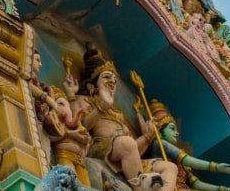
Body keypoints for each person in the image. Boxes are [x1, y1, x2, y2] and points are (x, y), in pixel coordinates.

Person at [63, 45, 178, 191]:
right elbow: (80, 125)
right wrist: (101, 106)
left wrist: (148, 137)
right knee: (126, 142)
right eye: (106, 77)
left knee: (170, 167)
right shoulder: (84, 100)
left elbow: (132, 151)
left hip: (122, 153)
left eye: (114, 79)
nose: (112, 82)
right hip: (100, 149)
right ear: (92, 86)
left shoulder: (117, 113)